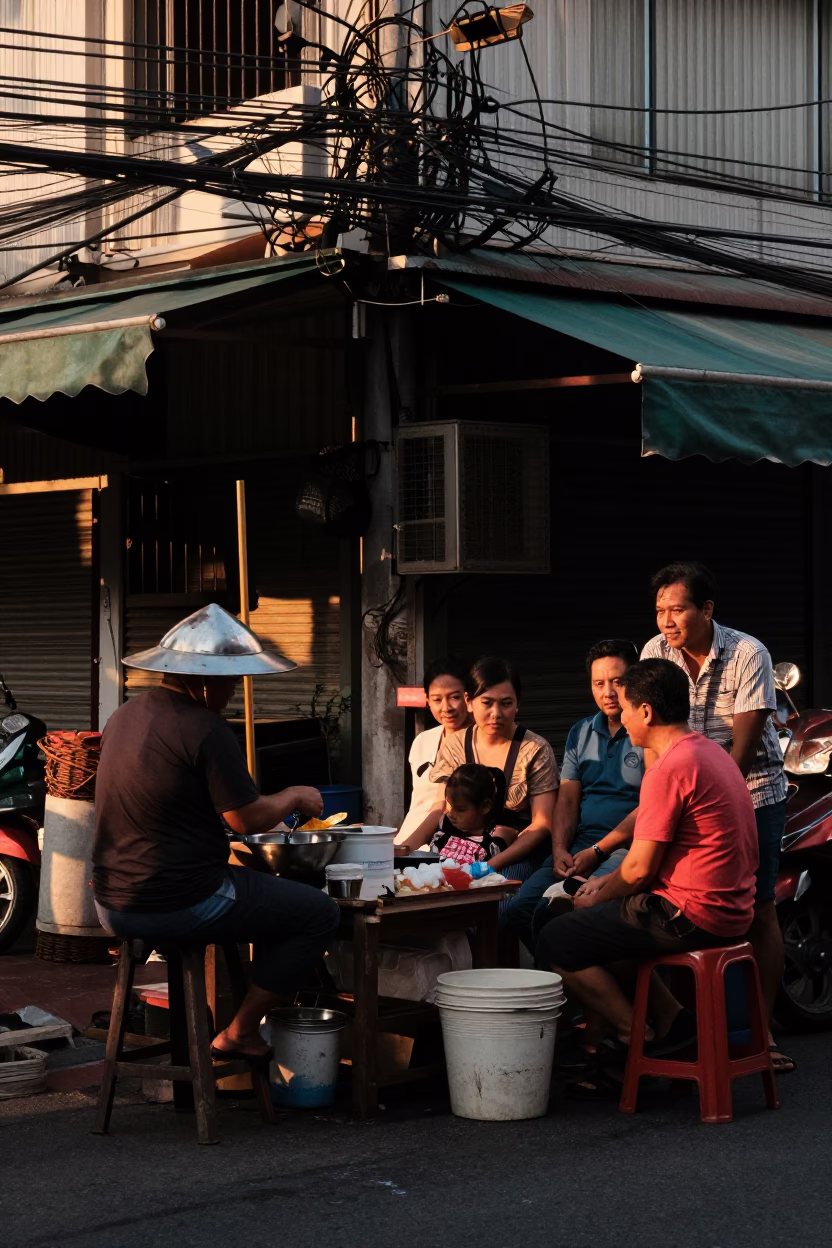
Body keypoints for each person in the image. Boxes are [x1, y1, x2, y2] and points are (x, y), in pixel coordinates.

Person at [92, 603, 340, 1065]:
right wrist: (293, 797)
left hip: (110, 902)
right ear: (201, 678)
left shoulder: (124, 716)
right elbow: (245, 821)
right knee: (318, 914)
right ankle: (240, 1033)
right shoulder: (205, 728)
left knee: (272, 904)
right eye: (229, 680)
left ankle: (248, 1022)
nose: (233, 691)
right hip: (177, 902)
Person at [537, 658, 759, 1099]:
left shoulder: (668, 767)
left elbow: (638, 871)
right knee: (604, 925)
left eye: (623, 706)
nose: (618, 714)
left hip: (692, 913)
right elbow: (640, 866)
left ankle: (637, 1037)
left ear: (645, 712)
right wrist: (606, 883)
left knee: (555, 937)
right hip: (732, 908)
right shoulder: (709, 750)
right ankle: (675, 1020)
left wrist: (598, 893)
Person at [641, 561, 793, 1074]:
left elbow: (745, 750)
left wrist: (693, 805)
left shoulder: (748, 653)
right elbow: (650, 744)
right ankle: (686, 1026)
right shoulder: (653, 652)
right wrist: (659, 804)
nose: (667, 621)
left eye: (678, 609)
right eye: (661, 610)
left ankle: (762, 1033)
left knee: (760, 907)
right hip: (680, 795)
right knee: (673, 900)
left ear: (706, 609)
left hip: (751, 791)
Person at [502, 639, 645, 949]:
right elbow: (567, 798)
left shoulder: (647, 731)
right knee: (517, 910)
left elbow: (652, 807)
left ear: (634, 680)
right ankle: (554, 986)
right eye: (599, 683)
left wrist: (598, 851)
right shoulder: (580, 732)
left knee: (556, 912)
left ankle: (576, 986)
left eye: (617, 681)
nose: (608, 692)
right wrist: (559, 850)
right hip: (578, 847)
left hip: (626, 851)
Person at [426, 657, 559, 883]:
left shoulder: (535, 749)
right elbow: (441, 809)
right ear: (469, 701)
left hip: (517, 854)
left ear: (518, 703)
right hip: (461, 850)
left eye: (506, 703)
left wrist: (488, 866)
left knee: (502, 904)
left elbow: (542, 824)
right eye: (487, 703)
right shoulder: (454, 746)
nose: (496, 713)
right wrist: (403, 849)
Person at [396, 656, 472, 848]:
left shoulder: (479, 742)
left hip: (445, 847)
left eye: (455, 697)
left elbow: (442, 807)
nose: (446, 708)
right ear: (427, 701)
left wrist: (405, 849)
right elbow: (418, 804)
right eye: (437, 699)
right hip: (407, 842)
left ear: (469, 697)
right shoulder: (422, 741)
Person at [399, 763, 517, 862]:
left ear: (484, 807)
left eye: (460, 809)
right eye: (450, 806)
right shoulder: (441, 822)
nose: (451, 814)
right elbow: (405, 848)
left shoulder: (495, 836)